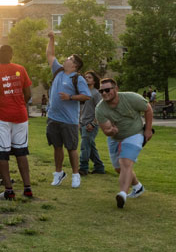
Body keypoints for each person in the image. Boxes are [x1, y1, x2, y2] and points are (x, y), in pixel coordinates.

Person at [0, 45, 33, 200]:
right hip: (21, 116)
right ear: (12, 55)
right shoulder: (21, 69)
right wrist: (19, 105)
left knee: (1, 153)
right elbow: (28, 94)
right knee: (21, 151)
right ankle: (27, 188)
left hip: (2, 117)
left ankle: (9, 191)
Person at [95, 78, 153, 208]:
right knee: (118, 168)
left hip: (135, 133)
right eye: (101, 91)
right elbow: (106, 130)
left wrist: (148, 130)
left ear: (116, 89)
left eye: (107, 90)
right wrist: (111, 131)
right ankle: (138, 186)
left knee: (125, 162)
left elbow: (148, 109)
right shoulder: (100, 109)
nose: (104, 93)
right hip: (115, 138)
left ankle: (122, 194)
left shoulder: (131, 98)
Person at [45, 31, 91, 189]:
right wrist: (52, 39)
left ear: (75, 65)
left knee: (71, 148)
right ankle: (58, 173)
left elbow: (87, 96)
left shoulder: (78, 78)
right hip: (53, 118)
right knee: (57, 147)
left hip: (69, 120)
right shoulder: (57, 70)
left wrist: (70, 97)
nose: (66, 59)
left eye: (69, 59)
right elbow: (50, 54)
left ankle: (76, 175)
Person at [79, 70, 105, 176]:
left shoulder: (96, 93)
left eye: (89, 77)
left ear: (94, 81)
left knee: (85, 146)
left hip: (91, 125)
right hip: (82, 123)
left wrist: (93, 124)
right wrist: (79, 122)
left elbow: (100, 110)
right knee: (90, 146)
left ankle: (83, 168)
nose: (86, 79)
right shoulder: (83, 92)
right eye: (85, 77)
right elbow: (81, 108)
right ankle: (99, 167)